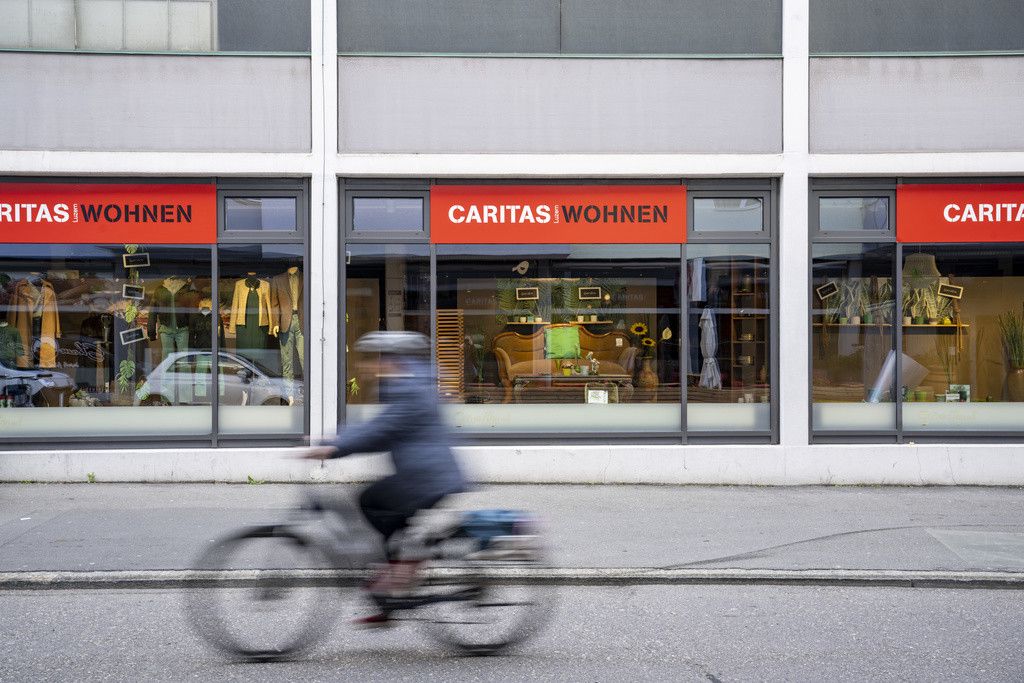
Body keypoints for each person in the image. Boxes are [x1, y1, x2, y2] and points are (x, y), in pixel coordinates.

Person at [301, 331, 468, 627]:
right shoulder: (411, 384)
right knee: (382, 512)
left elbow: (380, 431)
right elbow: (379, 429)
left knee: (370, 501)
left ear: (394, 359)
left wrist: (334, 447)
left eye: (376, 358)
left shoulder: (411, 390)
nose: (369, 365)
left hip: (426, 477)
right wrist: (335, 442)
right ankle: (392, 589)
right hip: (424, 474)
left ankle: (399, 575)